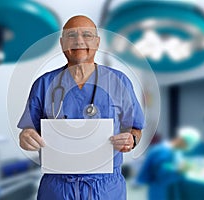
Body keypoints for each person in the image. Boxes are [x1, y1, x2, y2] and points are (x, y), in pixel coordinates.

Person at [17, 15, 145, 200]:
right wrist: (26, 137)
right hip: (57, 189)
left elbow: (136, 128)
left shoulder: (119, 82)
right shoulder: (44, 84)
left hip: (106, 188)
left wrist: (132, 139)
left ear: (97, 42)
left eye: (87, 35)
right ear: (62, 43)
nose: (79, 41)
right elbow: (29, 129)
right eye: (71, 36)